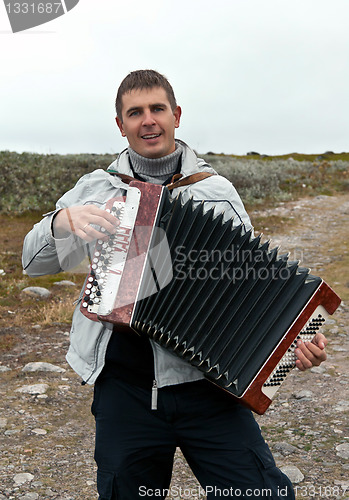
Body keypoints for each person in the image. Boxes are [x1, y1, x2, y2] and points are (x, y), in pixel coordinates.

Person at [22, 70, 328, 500]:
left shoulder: (216, 193)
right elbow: (33, 264)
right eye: (135, 112)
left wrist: (293, 339)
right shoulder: (94, 189)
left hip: (207, 387)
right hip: (125, 393)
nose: (148, 120)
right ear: (120, 124)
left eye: (157, 109)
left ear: (176, 115)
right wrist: (59, 222)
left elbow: (252, 288)